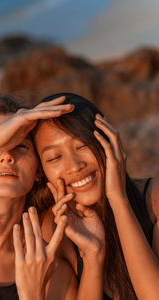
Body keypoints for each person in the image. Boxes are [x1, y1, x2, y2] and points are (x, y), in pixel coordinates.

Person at [32, 92, 159, 300]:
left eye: (82, 145)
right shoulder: (52, 232)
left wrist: (119, 200)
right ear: (40, 172)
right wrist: (92, 257)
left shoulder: (153, 199)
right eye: (55, 157)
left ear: (107, 141)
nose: (75, 165)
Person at [0, 94, 79, 300]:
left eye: (21, 146)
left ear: (38, 171)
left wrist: (32, 295)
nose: (7, 155)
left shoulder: (50, 269)